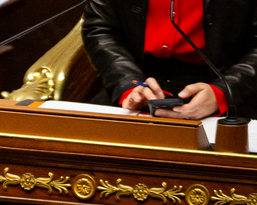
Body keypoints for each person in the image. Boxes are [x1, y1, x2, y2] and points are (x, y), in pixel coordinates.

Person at [82, 0, 257, 119]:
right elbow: (100, 28)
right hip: (135, 78)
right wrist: (127, 86)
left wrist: (224, 93)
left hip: (229, 83)